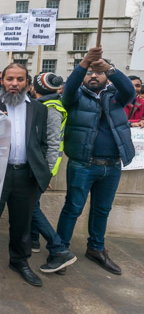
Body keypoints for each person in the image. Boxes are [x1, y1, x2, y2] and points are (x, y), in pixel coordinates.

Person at [57, 47, 135, 276]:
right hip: (83, 164)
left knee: (102, 210)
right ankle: (60, 251)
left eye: (98, 72)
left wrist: (110, 68)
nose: (93, 76)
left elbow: (130, 90)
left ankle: (96, 249)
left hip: (112, 166)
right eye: (89, 73)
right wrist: (84, 63)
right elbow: (69, 89)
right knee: (73, 208)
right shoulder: (75, 97)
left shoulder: (116, 96)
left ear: (105, 76)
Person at [0, 63, 51, 287]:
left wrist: (41, 169)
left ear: (27, 82)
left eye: (19, 79)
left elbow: (42, 142)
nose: (14, 84)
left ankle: (20, 261)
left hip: (26, 174)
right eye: (10, 79)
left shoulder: (39, 109)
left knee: (22, 222)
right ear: (2, 80)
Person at [29, 72, 77, 274]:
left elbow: (53, 143)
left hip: (40, 168)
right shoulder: (46, 104)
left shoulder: (51, 108)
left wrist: (45, 173)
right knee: (33, 204)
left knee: (30, 207)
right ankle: (33, 241)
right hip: (38, 166)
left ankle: (59, 250)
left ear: (35, 87)